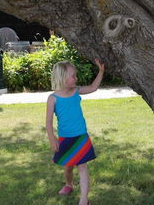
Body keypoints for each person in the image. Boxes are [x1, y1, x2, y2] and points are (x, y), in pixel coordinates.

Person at [46, 59, 104, 205]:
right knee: (68, 167)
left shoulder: (77, 91)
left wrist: (101, 71)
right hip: (65, 138)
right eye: (73, 76)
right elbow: (48, 122)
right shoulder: (52, 99)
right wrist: (52, 140)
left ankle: (84, 200)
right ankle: (69, 184)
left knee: (82, 166)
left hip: (81, 136)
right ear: (62, 77)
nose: (76, 78)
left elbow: (93, 87)